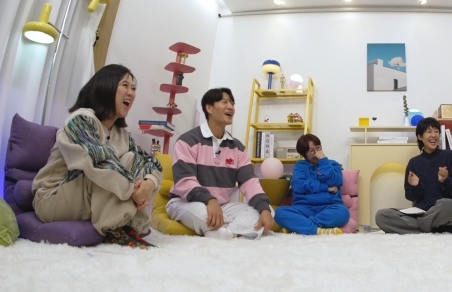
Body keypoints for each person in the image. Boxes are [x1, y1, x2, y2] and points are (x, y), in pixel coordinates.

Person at [32, 63, 162, 248]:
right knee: (108, 165)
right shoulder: (81, 120)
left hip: (85, 200)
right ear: (106, 86)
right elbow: (97, 160)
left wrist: (149, 184)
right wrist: (134, 190)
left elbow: (151, 163)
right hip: (52, 198)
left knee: (134, 160)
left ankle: (127, 226)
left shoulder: (123, 134)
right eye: (125, 85)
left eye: (133, 88)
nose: (131, 93)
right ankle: (115, 227)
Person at [167, 87, 275, 239]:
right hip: (186, 202)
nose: (231, 107)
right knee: (202, 213)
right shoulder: (187, 141)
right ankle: (234, 230)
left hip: (223, 207)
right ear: (209, 108)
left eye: (232, 103)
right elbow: (184, 181)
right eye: (224, 102)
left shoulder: (237, 147)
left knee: (267, 210)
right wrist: (209, 200)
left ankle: (225, 232)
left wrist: (264, 209)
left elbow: (249, 182)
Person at [375, 117, 452, 233]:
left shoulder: (449, 155)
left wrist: (445, 180)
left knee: (447, 205)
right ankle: (431, 226)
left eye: (436, 131)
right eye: (429, 132)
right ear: (420, 137)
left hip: (446, 210)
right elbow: (410, 196)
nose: (434, 135)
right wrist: (416, 186)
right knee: (382, 215)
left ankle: (420, 227)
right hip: (424, 212)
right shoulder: (414, 163)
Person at [273, 133, 350, 235]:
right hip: (303, 208)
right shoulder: (300, 166)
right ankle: (317, 229)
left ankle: (302, 226)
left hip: (328, 206)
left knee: (343, 213)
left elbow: (334, 181)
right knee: (279, 213)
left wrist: (323, 161)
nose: (316, 153)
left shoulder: (332, 164)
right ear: (305, 154)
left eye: (318, 148)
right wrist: (325, 188)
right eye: (311, 151)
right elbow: (299, 186)